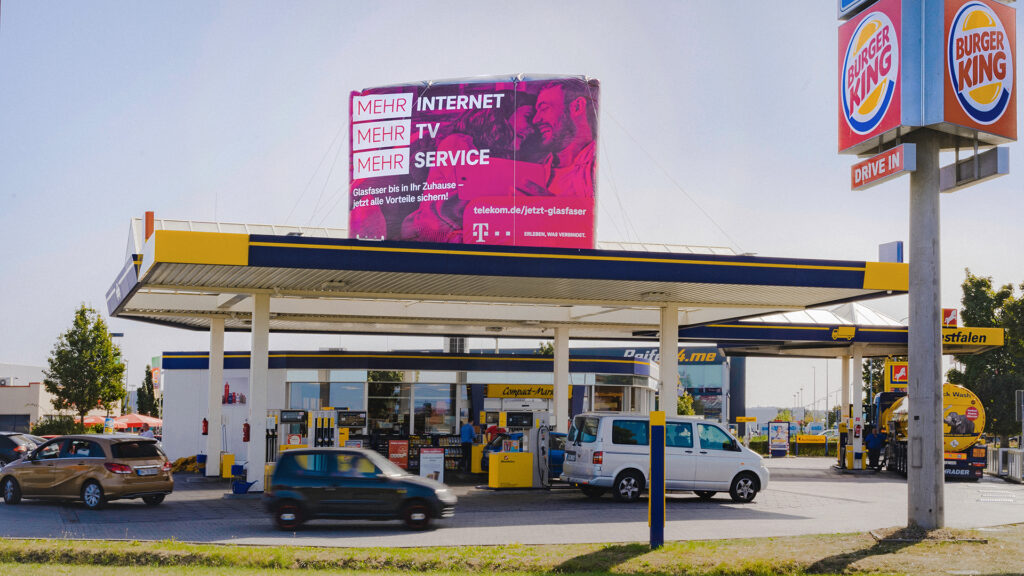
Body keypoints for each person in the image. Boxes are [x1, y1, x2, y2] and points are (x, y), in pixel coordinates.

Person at [519, 79, 599, 198]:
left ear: (577, 107)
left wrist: (553, 209)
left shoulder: (598, 168)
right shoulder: (536, 168)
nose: (536, 120)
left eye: (544, 108)